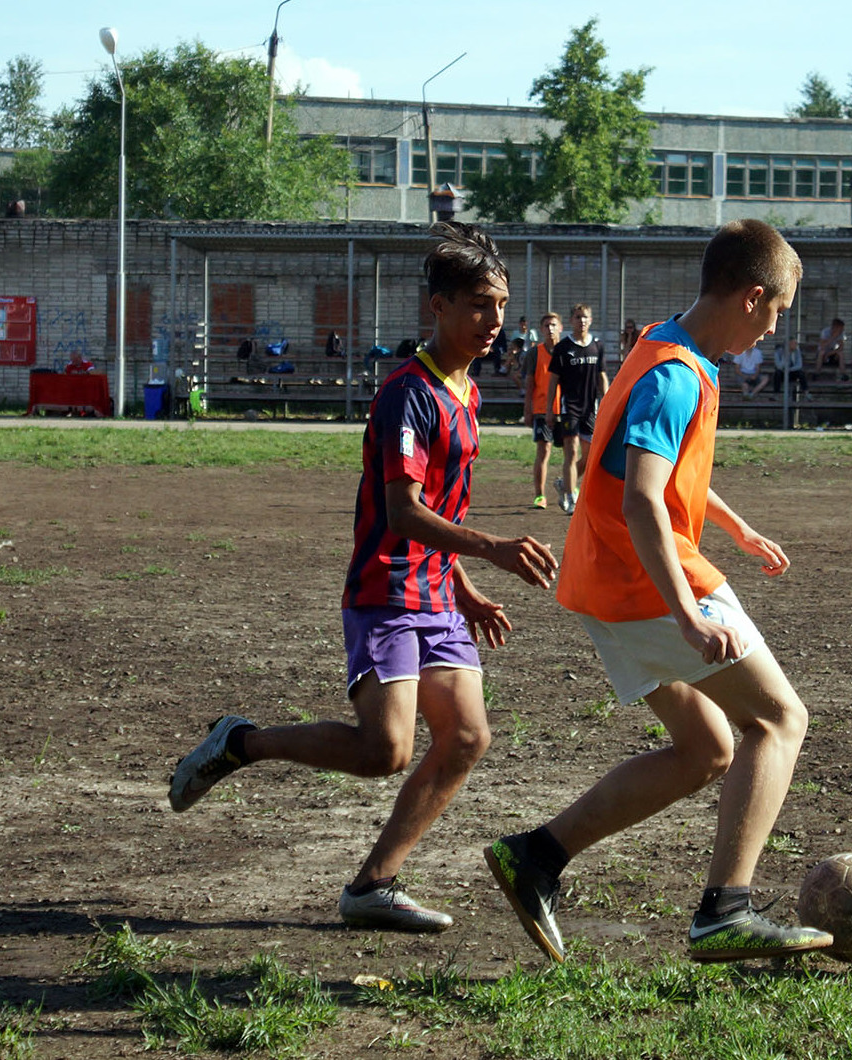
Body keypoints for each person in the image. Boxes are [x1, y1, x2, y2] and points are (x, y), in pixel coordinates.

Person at [167, 222, 558, 933]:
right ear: (436, 306)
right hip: (385, 592)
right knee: (386, 751)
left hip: (436, 595)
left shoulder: (465, 392)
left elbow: (442, 505)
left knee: (468, 738)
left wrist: (464, 587)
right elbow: (404, 513)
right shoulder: (407, 395)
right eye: (478, 304)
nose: (495, 321)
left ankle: (374, 884)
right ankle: (240, 742)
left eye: (501, 305)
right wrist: (493, 548)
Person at [484, 218, 833, 965]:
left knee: (705, 748)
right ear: (752, 296)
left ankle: (536, 857)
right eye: (775, 315)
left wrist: (733, 526)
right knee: (779, 720)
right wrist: (688, 614)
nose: (771, 332)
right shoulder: (676, 375)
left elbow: (661, 474)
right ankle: (725, 911)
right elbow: (643, 500)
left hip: (604, 585)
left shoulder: (661, 344)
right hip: (646, 584)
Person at [547, 303, 609, 514]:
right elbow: (553, 380)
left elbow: (601, 376)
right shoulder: (563, 348)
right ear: (571, 320)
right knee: (571, 452)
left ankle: (564, 484)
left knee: (590, 455)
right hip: (569, 407)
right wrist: (549, 409)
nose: (581, 321)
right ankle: (571, 496)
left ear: (590, 320)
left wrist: (607, 401)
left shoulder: (597, 346)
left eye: (585, 317)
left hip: (590, 408)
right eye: (577, 317)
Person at [523, 312, 562, 508]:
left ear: (561, 328)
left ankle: (568, 488)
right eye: (546, 325)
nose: (550, 329)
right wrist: (527, 410)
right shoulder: (534, 354)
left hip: (565, 410)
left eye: (554, 325)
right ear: (541, 329)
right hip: (541, 409)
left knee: (573, 452)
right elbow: (529, 384)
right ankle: (540, 495)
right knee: (543, 450)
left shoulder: (567, 351)